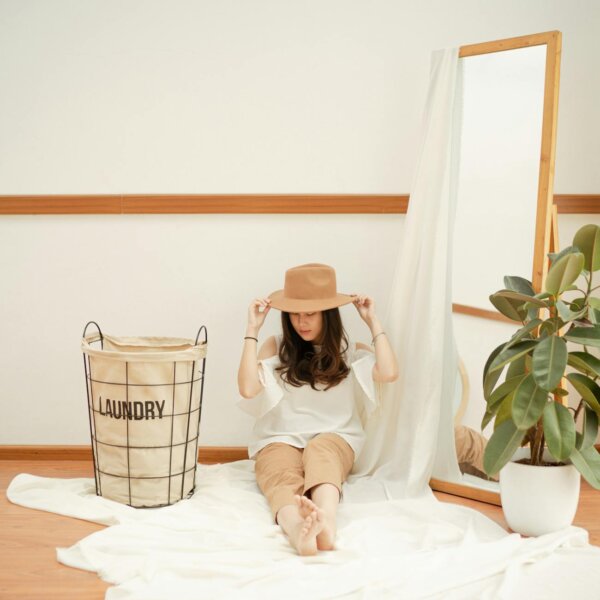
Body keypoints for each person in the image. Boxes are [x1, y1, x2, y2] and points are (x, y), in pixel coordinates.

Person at [237, 263, 399, 556]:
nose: (302, 322)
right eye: (295, 314)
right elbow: (248, 388)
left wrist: (373, 321)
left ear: (328, 314)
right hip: (280, 437)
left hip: (336, 437)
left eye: (310, 313)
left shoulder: (349, 352)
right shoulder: (277, 347)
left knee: (321, 452)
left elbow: (388, 373)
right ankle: (298, 530)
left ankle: (326, 523)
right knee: (279, 471)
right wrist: (252, 329)